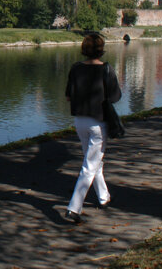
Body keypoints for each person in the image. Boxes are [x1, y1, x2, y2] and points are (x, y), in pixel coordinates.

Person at [64, 33, 122, 224]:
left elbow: (68, 96)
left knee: (94, 161)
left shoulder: (75, 69)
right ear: (101, 50)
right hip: (98, 122)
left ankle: (104, 197)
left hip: (80, 122)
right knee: (90, 166)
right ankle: (74, 208)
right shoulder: (106, 69)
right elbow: (115, 97)